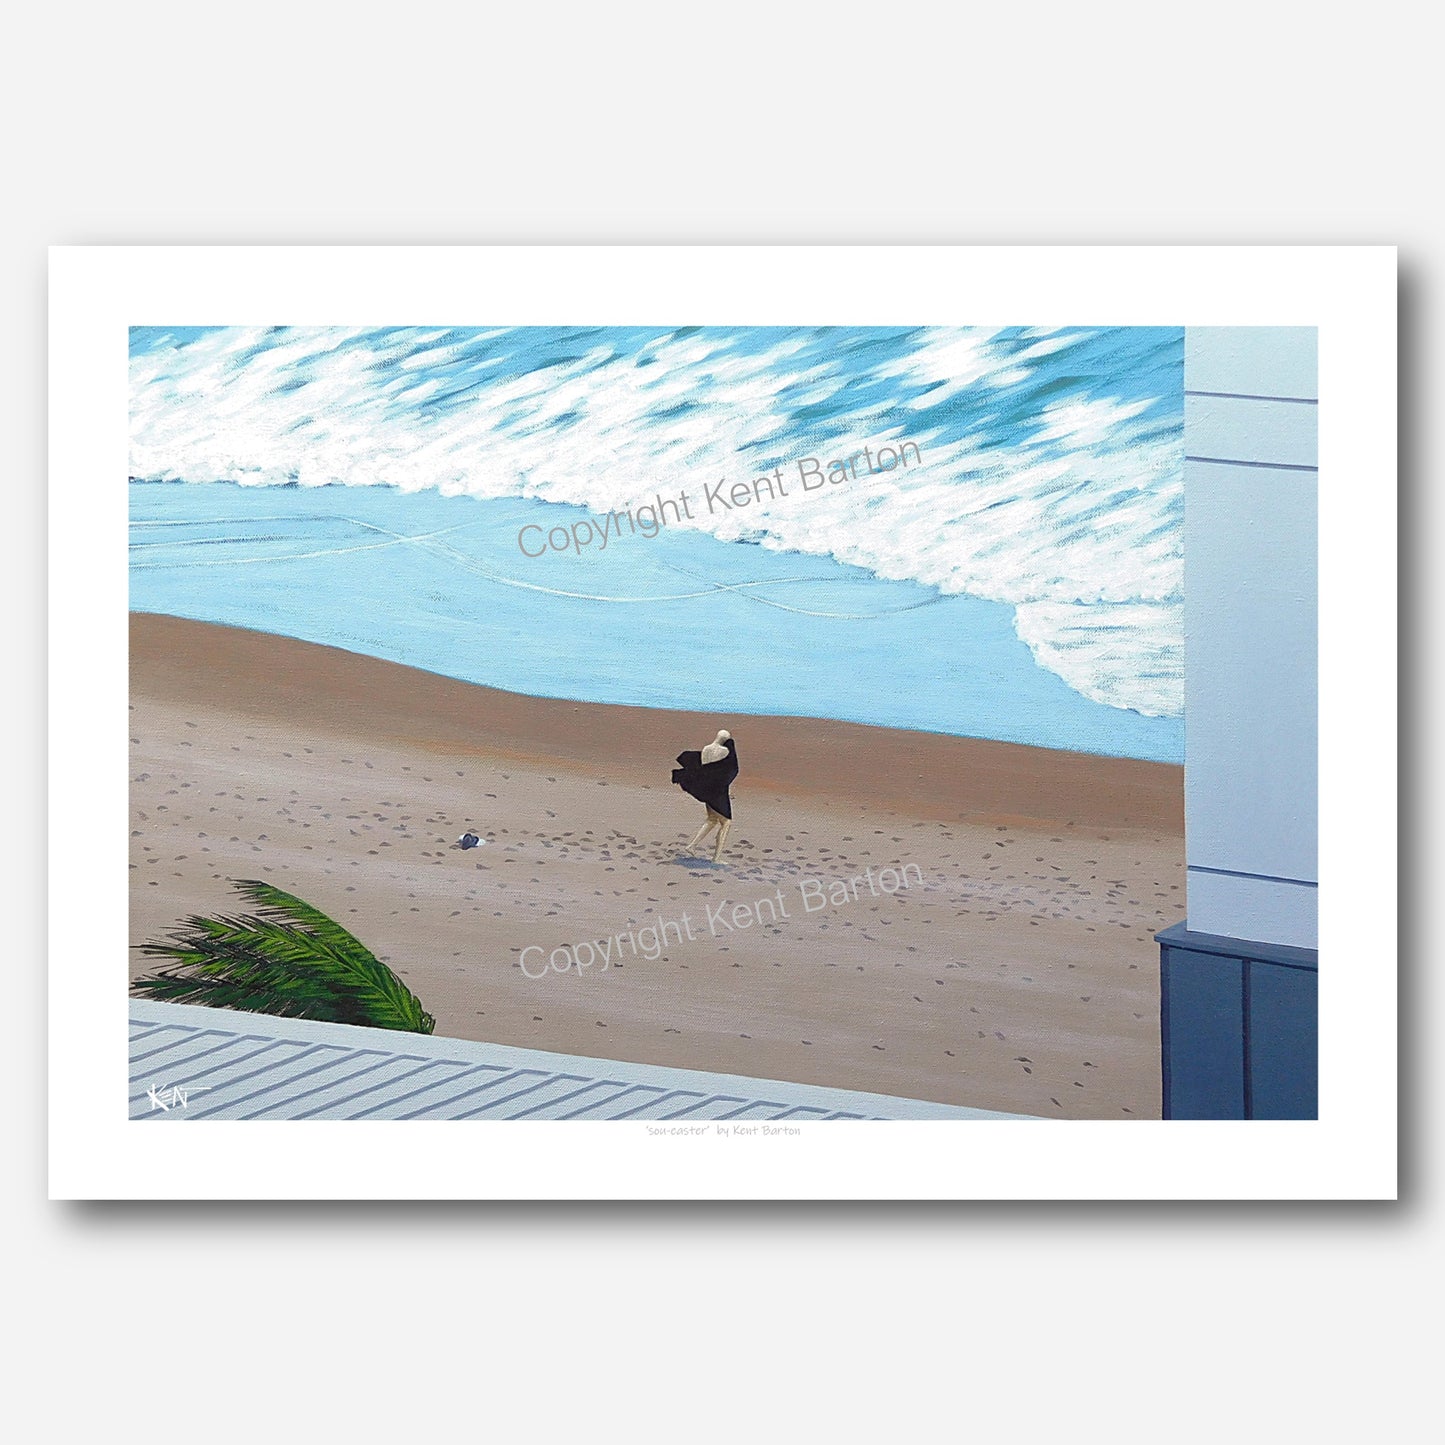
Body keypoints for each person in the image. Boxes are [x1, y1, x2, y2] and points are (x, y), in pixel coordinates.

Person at [671, 729, 739, 862]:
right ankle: (716, 858)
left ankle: (691, 846)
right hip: (717, 791)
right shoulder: (724, 751)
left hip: (706, 789)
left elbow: (706, 768)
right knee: (726, 822)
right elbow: (728, 768)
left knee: (712, 819)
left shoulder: (706, 749)